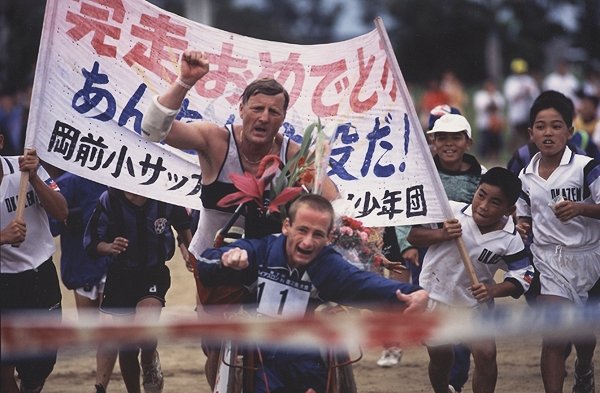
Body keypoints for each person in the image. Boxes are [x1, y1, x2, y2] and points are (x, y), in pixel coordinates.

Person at [141, 50, 339, 388]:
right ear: (242, 109)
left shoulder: (293, 154)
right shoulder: (215, 140)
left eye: (273, 111)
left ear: (282, 118)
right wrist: (184, 82)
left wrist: (342, 233)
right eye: (257, 108)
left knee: (278, 348)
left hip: (272, 263)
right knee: (216, 350)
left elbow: (331, 198)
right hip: (214, 261)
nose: (264, 117)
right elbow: (152, 130)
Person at [196, 194, 429, 393]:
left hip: (307, 358)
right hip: (258, 358)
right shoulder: (261, 251)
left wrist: (413, 292)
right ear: (286, 226)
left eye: (317, 234)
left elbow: (365, 284)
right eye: (302, 230)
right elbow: (206, 261)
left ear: (329, 238)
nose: (307, 242)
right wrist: (224, 260)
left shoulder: (328, 266)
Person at [408, 167, 535, 393]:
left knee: (487, 355)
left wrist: (493, 290)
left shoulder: (511, 239)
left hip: (474, 304)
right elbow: (414, 235)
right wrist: (442, 234)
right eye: (481, 195)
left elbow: (523, 275)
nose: (484, 206)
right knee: (441, 356)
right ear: (476, 190)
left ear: (510, 209)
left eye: (495, 202)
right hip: (435, 297)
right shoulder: (450, 213)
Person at [515, 90, 600, 393]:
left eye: (556, 125)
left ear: (570, 131)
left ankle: (584, 367)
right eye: (540, 126)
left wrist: (580, 208)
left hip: (590, 259)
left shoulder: (587, 168)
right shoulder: (525, 177)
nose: (548, 133)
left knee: (583, 335)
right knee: (554, 336)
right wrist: (522, 224)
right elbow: (524, 216)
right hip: (548, 261)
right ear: (531, 133)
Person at [396, 108, 485, 391]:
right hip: (432, 266)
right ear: (431, 141)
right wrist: (409, 244)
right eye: (441, 137)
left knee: (478, 346)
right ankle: (445, 385)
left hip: (472, 272)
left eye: (456, 137)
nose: (449, 143)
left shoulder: (482, 179)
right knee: (439, 344)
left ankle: (457, 381)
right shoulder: (422, 177)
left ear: (467, 141)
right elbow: (408, 221)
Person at [84, 187, 192, 393]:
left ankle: (149, 357)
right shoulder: (109, 199)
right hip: (121, 274)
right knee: (126, 345)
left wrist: (191, 253)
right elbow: (91, 243)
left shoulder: (164, 194)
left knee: (144, 331)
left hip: (153, 271)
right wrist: (109, 246)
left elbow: (184, 225)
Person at [0, 132, 68, 393]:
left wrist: (36, 177)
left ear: (1, 141)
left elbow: (62, 212)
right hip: (4, 280)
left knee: (40, 365)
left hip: (41, 276)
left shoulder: (24, 169)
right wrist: (3, 237)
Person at [504, 58, 540, 151]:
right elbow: (509, 97)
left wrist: (529, 91)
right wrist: (521, 91)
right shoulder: (510, 81)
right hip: (516, 115)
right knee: (515, 137)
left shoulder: (529, 80)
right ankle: (515, 154)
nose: (520, 74)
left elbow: (536, 95)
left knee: (528, 136)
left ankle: (527, 154)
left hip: (528, 113)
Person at [473, 79, 506, 161]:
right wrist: (491, 103)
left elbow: (499, 107)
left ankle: (495, 157)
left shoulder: (498, 95)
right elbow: (483, 107)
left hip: (496, 124)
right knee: (484, 142)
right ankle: (482, 158)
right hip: (484, 123)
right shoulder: (480, 95)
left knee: (496, 143)